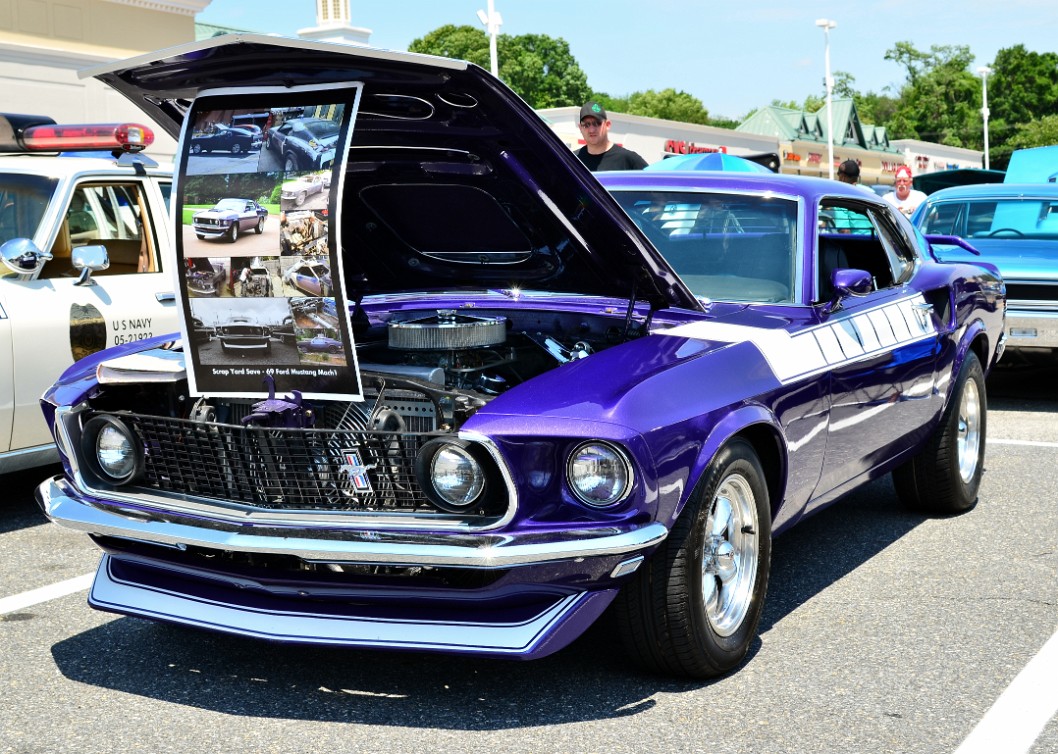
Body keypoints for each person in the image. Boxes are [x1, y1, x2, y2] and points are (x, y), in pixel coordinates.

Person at [575, 102, 648, 172]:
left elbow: (653, 182)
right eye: (586, 125)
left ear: (607, 125)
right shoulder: (573, 160)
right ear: (580, 128)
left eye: (597, 123)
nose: (591, 130)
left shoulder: (628, 159)